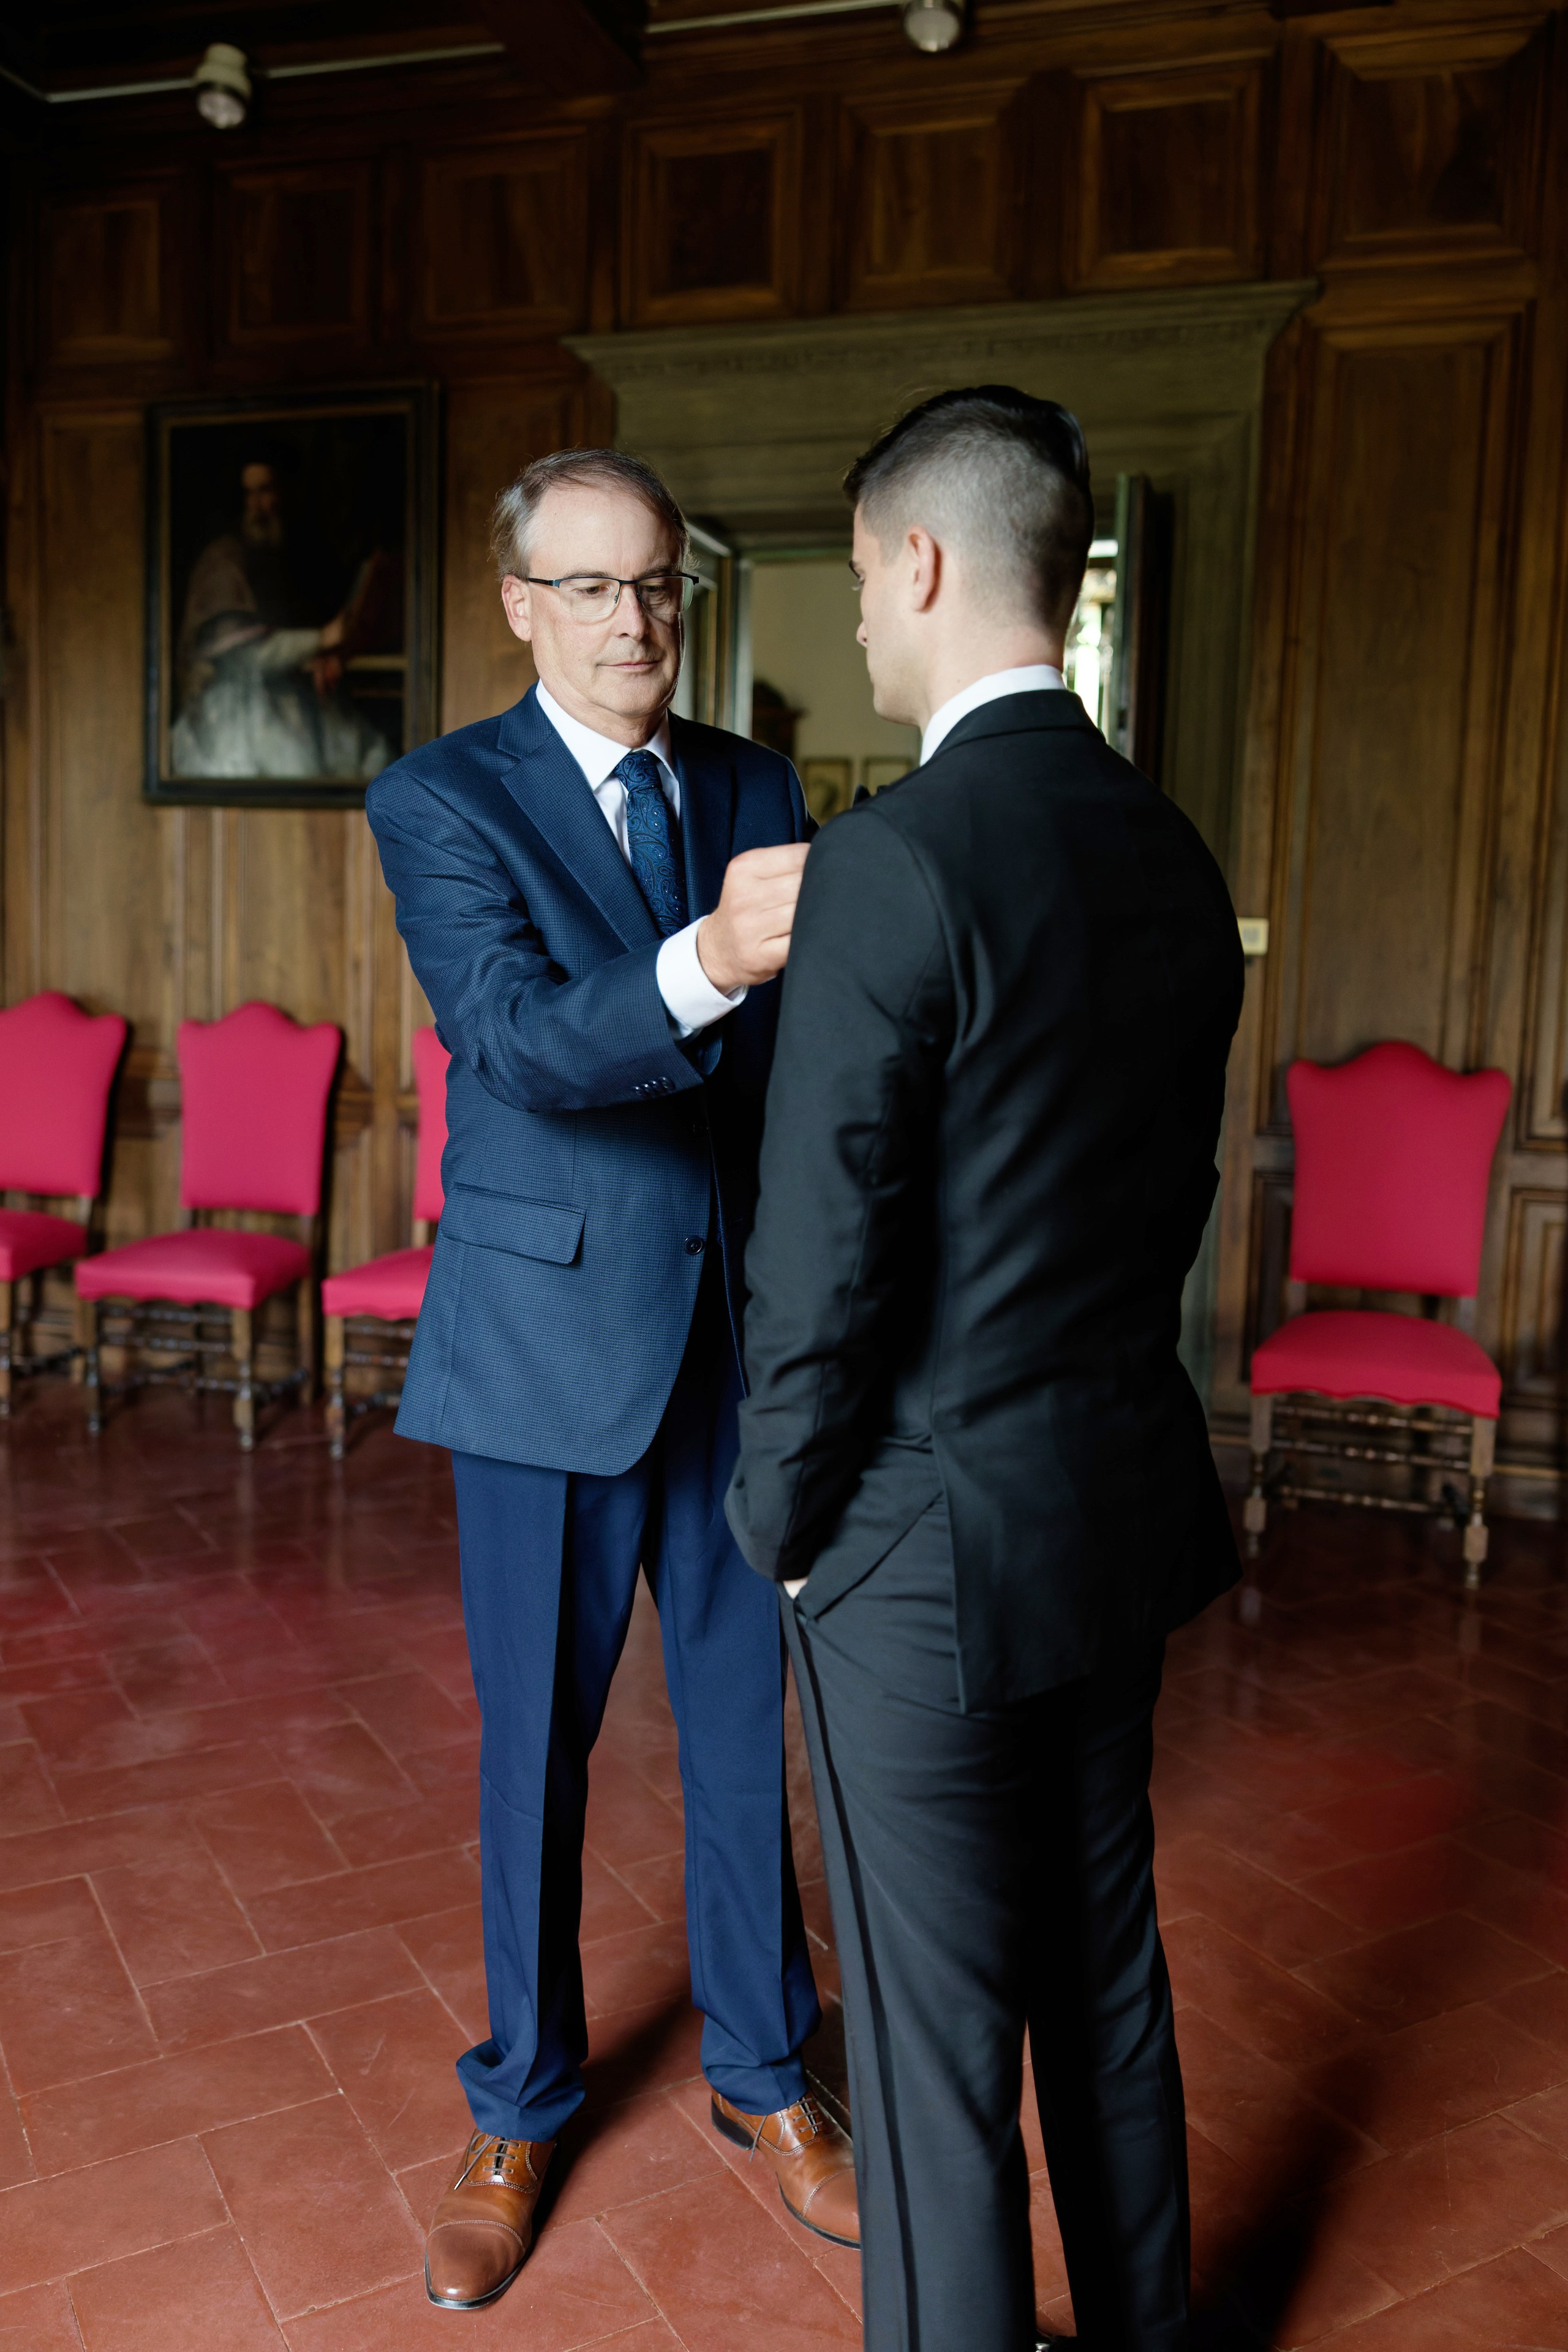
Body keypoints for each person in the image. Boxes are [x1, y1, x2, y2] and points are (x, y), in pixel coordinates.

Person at [726, 388, 1244, 2352]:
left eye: (858, 578)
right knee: (1102, 1965)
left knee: (935, 2041)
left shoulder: (890, 859)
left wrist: (778, 1524)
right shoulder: (1173, 853)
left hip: (913, 1541)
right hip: (1109, 1494)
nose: (859, 616)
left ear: (925, 564)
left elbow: (822, 1259)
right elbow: (1161, 1193)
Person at [365, 446, 857, 2313]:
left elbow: (799, 1071)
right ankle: (520, 2097)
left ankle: (761, 2074)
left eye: (657, 584)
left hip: (736, 1346)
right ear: (518, 604)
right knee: (534, 1755)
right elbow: (511, 1037)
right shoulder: (437, 796)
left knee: (746, 1737)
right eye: (589, 588)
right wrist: (709, 956)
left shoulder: (744, 777)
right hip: (543, 1347)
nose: (635, 621)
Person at [173, 458, 391, 781]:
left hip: (300, 695)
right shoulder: (222, 562)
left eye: (266, 491)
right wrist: (320, 639)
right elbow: (245, 658)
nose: (257, 505)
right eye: (249, 494)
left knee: (374, 757)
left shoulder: (292, 552)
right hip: (241, 707)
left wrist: (326, 655)